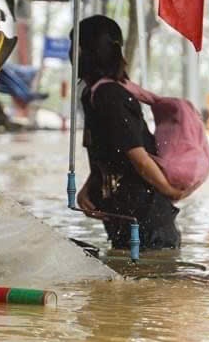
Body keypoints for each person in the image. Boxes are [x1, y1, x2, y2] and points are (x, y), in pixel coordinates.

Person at [73, 15, 183, 251]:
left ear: (87, 51)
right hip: (125, 216)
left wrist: (170, 191)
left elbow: (139, 158)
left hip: (147, 222)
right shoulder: (92, 95)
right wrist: (88, 188)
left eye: (75, 47)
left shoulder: (110, 96)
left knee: (147, 283)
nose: (71, 55)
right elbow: (111, 152)